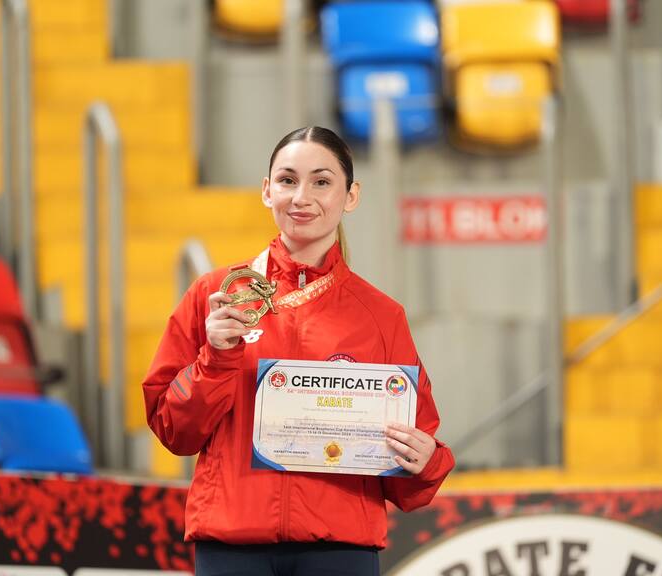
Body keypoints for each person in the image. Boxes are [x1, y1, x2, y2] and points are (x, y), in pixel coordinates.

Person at [143, 126, 455, 576]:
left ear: (351, 196)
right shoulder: (214, 296)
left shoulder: (382, 316)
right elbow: (175, 433)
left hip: (340, 551)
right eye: (287, 180)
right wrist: (215, 356)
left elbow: (411, 475)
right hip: (232, 546)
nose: (301, 197)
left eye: (322, 181)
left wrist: (426, 462)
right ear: (267, 191)